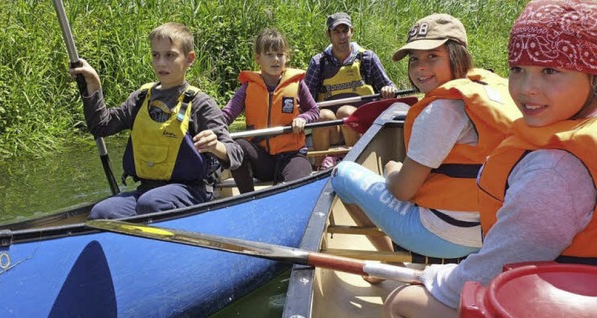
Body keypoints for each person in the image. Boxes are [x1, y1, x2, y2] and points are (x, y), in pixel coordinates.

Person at [382, 1, 597, 317]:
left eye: (550, 70)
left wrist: (431, 276)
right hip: (568, 289)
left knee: (401, 302)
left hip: (557, 301)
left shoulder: (553, 173)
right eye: (518, 70)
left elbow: (490, 273)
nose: (527, 90)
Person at [330, 13, 522, 259]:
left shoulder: (439, 110)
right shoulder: (489, 91)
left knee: (341, 174)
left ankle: (389, 259)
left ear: (457, 55)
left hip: (444, 236)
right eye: (414, 59)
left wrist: (391, 171)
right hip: (493, 228)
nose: (420, 67)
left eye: (433, 56)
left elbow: (402, 192)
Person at [69, 22, 243, 219]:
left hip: (191, 190)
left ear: (189, 59)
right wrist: (94, 85)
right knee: (102, 212)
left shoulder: (200, 103)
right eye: (156, 55)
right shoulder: (140, 98)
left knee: (152, 203)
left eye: (170, 55)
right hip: (146, 191)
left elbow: (236, 154)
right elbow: (100, 126)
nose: (161, 63)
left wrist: (216, 146)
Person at [222, 28, 319, 194]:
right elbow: (227, 114)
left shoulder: (297, 84)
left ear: (286, 57)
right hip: (262, 159)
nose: (276, 59)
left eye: (280, 54)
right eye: (269, 54)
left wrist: (303, 117)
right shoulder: (248, 88)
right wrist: (209, 126)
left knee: (299, 185)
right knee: (238, 146)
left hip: (292, 155)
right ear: (258, 58)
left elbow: (314, 111)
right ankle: (248, 199)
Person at [305, 12, 397, 170]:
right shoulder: (319, 62)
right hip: (331, 129)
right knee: (323, 116)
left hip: (359, 127)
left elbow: (389, 86)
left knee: (346, 112)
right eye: (337, 32)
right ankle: (320, 167)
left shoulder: (367, 58)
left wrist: (389, 89)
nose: (342, 36)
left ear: (351, 32)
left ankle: (355, 163)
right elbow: (305, 98)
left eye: (345, 31)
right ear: (329, 34)